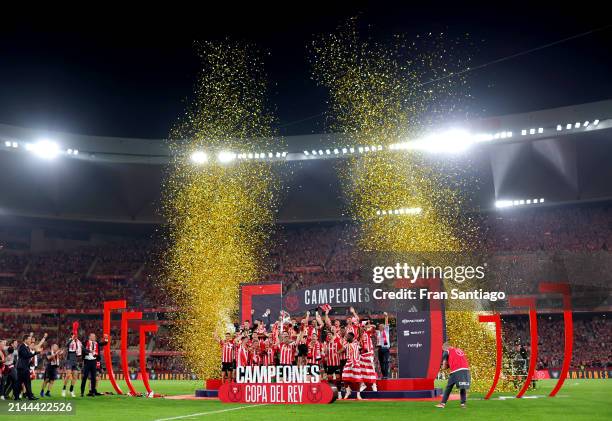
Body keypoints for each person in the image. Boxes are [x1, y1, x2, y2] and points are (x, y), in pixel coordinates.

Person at [436, 342, 471, 409]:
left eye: (443, 349)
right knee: (462, 387)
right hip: (466, 370)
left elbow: (444, 364)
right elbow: (456, 360)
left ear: (445, 347)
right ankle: (463, 404)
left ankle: (442, 404)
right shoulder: (459, 350)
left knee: (448, 387)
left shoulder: (447, 351)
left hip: (456, 371)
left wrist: (443, 367)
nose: (443, 350)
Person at [15, 333, 47, 400]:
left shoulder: (25, 347)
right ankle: (28, 396)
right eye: (29, 339)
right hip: (22, 367)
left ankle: (20, 396)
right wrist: (36, 352)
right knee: (25, 382)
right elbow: (26, 355)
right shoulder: (22, 346)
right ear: (25, 340)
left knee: (22, 382)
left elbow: (26, 357)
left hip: (23, 367)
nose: (30, 340)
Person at [80, 333, 108, 397]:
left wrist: (106, 338)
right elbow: (82, 348)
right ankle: (82, 392)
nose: (94, 337)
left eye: (94, 336)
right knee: (84, 377)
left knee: (93, 378)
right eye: (92, 336)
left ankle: (92, 392)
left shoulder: (96, 343)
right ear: (89, 337)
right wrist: (89, 351)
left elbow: (105, 343)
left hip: (94, 361)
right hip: (87, 361)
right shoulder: (85, 342)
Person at [62, 333, 82, 397]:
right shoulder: (70, 340)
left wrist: (89, 351)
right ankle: (64, 389)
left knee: (75, 376)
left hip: (75, 360)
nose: (75, 336)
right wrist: (72, 339)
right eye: (74, 335)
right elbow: (66, 345)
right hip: (69, 359)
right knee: (68, 375)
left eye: (76, 335)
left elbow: (82, 348)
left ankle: (71, 390)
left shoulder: (78, 342)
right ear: (71, 335)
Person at [375, 312, 391, 378]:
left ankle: (386, 375)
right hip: (380, 349)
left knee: (386, 361)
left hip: (386, 348)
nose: (381, 327)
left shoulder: (386, 331)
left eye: (382, 326)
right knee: (381, 363)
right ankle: (384, 375)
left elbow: (386, 323)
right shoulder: (378, 332)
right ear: (379, 327)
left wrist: (386, 316)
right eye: (380, 326)